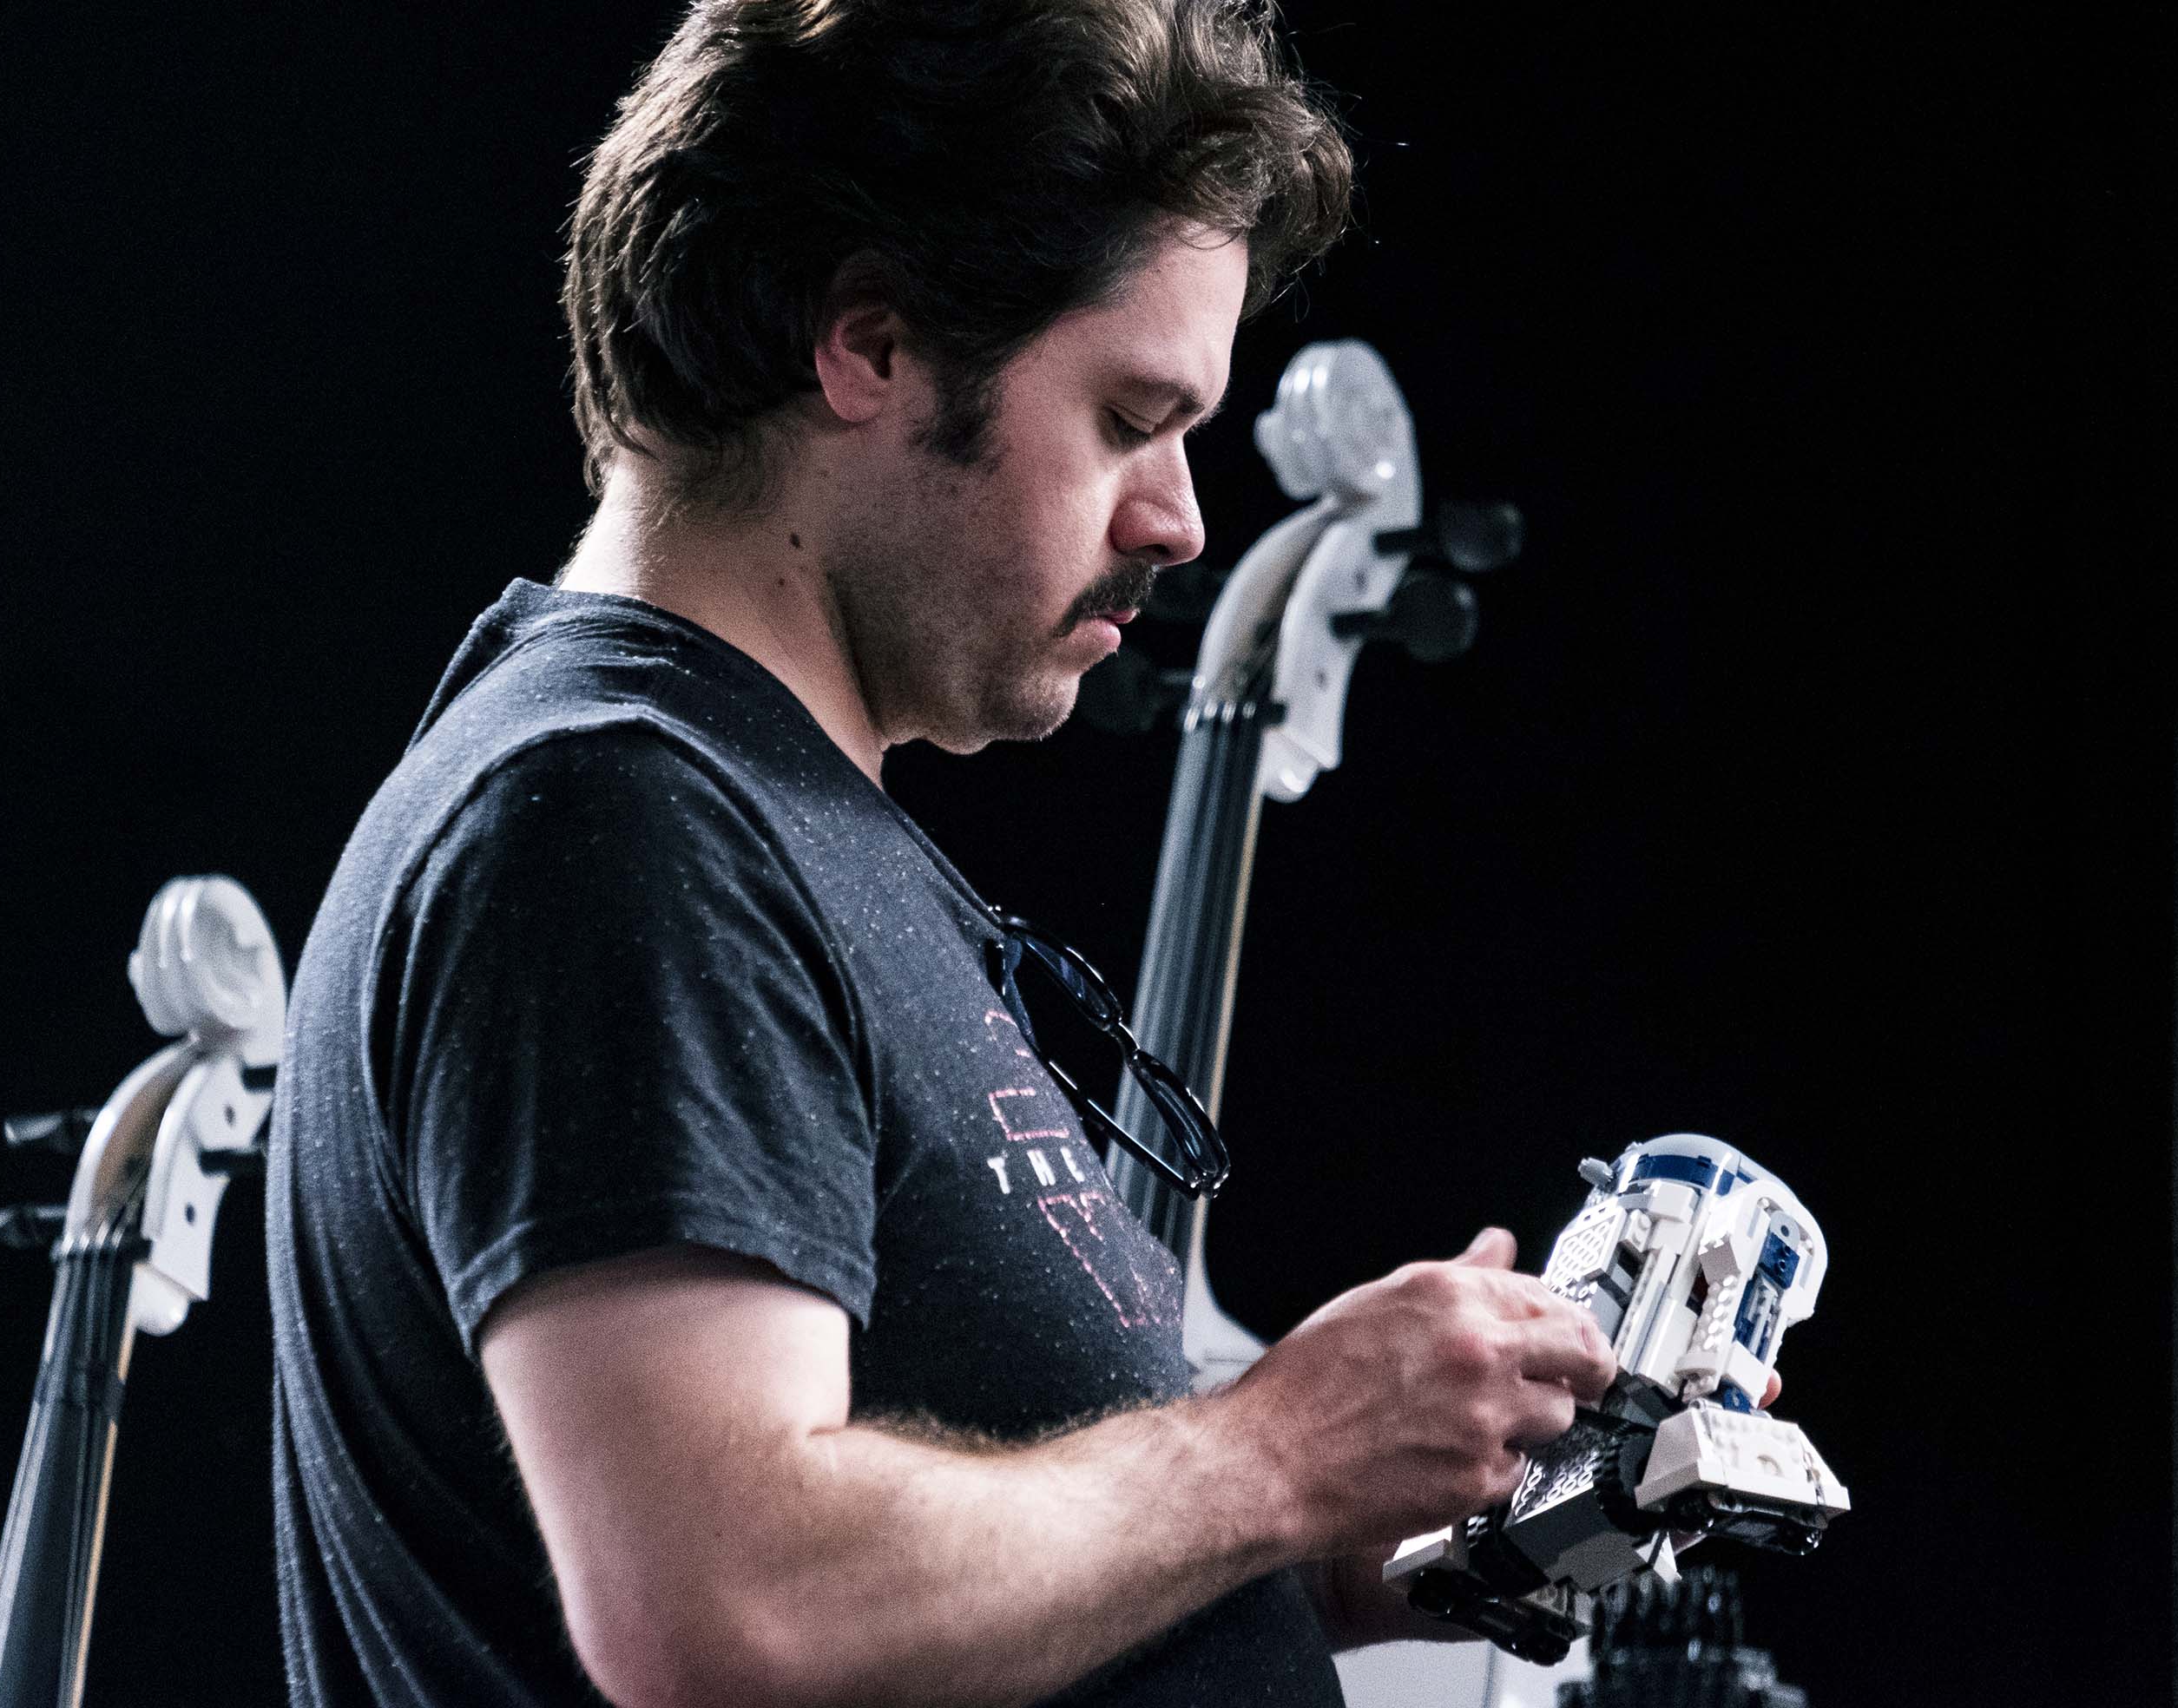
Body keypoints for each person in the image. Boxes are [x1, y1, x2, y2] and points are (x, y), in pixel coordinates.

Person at [266, 2, 1626, 1704]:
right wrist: (1274, 1452)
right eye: (1129, 416)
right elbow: (732, 1605)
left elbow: (937, 1574)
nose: (1179, 519)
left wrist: (1332, 1541)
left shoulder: (756, 820)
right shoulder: (618, 816)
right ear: (872, 345)